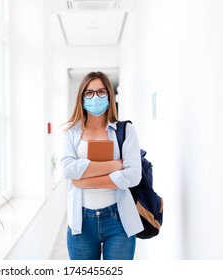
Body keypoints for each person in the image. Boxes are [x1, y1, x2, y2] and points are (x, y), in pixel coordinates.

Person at [59, 71, 143, 260]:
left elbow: (133, 176)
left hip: (118, 220)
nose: (95, 97)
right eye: (89, 93)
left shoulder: (125, 131)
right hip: (81, 221)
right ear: (82, 97)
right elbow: (67, 169)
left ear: (109, 95)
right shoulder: (71, 132)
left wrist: (84, 180)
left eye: (100, 92)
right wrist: (114, 165)